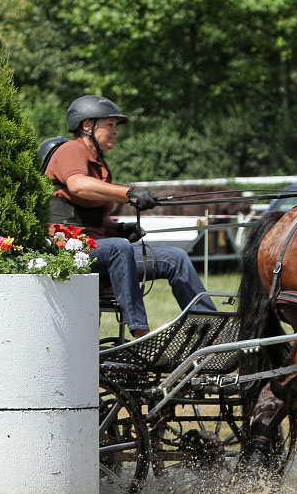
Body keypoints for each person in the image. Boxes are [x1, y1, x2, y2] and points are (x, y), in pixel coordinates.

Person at [44, 95, 216, 337]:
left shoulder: (99, 166)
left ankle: (208, 328)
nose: (115, 131)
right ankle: (140, 333)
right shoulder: (71, 150)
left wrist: (120, 229)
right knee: (118, 248)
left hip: (100, 248)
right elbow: (78, 185)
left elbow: (90, 217)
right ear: (87, 126)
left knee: (175, 258)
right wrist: (129, 193)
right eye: (110, 125)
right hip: (71, 251)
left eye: (116, 126)